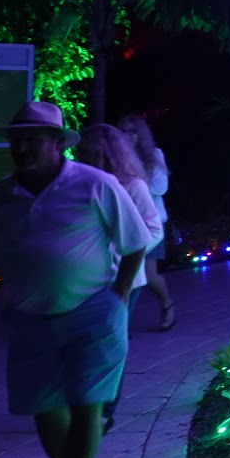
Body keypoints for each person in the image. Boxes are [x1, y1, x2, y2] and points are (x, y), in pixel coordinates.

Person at [0, 102, 152, 458]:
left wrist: (119, 295)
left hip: (93, 311)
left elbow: (135, 242)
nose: (22, 148)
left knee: (87, 404)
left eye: (33, 139)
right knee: (45, 408)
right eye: (17, 140)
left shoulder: (95, 184)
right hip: (29, 317)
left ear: (58, 143)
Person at [73, 124, 162, 431]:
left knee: (111, 344)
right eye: (81, 152)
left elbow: (153, 229)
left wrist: (123, 247)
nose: (83, 157)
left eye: (89, 152)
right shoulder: (82, 183)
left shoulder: (132, 185)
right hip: (89, 278)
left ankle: (105, 411)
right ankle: (86, 404)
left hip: (125, 278)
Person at [116, 114, 176, 329]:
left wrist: (134, 174)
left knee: (149, 275)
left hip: (152, 223)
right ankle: (121, 324)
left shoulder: (154, 155)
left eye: (132, 131)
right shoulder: (115, 156)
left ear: (141, 135)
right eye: (123, 131)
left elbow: (161, 188)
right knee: (125, 274)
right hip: (126, 222)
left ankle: (167, 304)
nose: (127, 136)